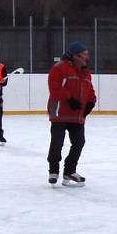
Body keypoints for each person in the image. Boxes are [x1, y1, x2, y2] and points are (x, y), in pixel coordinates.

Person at [47, 41, 96, 186]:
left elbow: (89, 89)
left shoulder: (85, 71)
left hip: (77, 115)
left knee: (79, 142)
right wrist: (69, 99)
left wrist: (91, 102)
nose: (87, 57)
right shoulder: (59, 68)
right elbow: (54, 87)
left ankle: (69, 171)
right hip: (60, 113)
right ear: (75, 56)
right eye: (84, 54)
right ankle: (53, 170)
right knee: (57, 142)